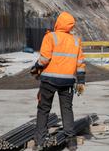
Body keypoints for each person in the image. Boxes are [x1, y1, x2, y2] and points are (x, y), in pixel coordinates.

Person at [30, 12, 86, 151]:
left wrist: (36, 68)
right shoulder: (76, 40)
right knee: (67, 110)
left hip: (49, 80)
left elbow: (44, 59)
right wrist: (81, 81)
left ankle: (39, 142)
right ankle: (71, 143)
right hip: (68, 82)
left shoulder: (50, 37)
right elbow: (80, 63)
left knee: (43, 109)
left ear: (58, 23)